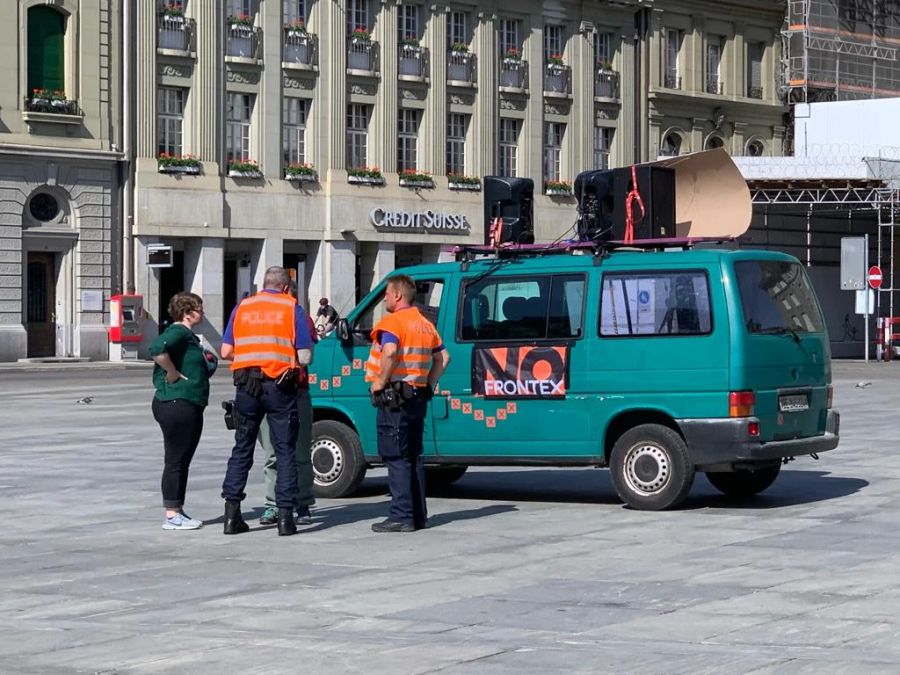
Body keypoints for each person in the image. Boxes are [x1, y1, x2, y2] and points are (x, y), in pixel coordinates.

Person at [220, 267, 314, 536]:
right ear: (285, 287)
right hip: (279, 387)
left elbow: (226, 351)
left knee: (242, 448)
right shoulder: (291, 307)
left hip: (246, 386)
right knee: (285, 450)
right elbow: (305, 357)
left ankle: (232, 514)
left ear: (263, 285)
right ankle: (286, 519)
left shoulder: (243, 307)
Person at [365, 274, 450, 533]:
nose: (386, 299)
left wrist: (380, 381)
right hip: (417, 396)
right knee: (414, 456)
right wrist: (428, 384)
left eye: (388, 294)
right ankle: (418, 515)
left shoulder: (393, 322)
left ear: (398, 295)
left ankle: (401, 516)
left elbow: (390, 352)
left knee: (396, 456)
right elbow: (444, 358)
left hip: (395, 397)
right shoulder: (425, 324)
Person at [150, 292, 216, 530]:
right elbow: (157, 348)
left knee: (180, 459)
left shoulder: (187, 336)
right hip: (178, 403)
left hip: (184, 402)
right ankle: (172, 514)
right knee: (176, 460)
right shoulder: (178, 331)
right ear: (187, 313)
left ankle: (176, 509)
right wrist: (171, 372)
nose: (203, 313)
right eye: (199, 309)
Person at [258, 311, 318, 527]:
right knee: (272, 452)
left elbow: (307, 354)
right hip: (266, 388)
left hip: (295, 389)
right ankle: (273, 504)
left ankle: (302, 503)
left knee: (300, 451)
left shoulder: (299, 316)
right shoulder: (257, 316)